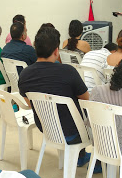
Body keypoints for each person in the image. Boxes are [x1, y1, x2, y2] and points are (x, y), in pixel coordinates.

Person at [18, 27, 93, 169]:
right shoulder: (68, 71)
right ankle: (92, 160)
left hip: (46, 127)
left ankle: (80, 156)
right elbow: (86, 100)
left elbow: (30, 104)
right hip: (72, 131)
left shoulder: (25, 74)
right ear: (56, 51)